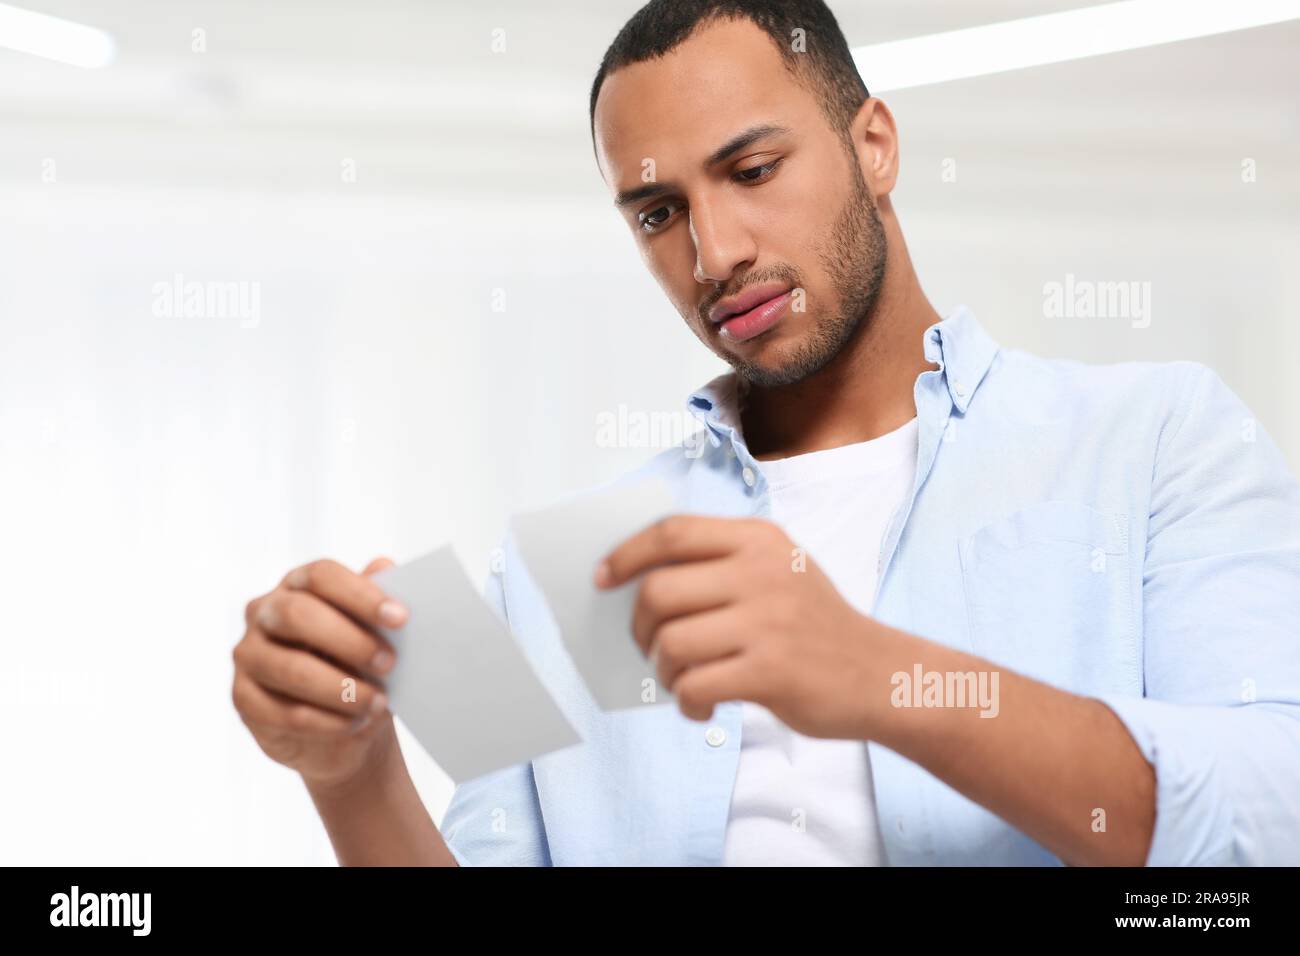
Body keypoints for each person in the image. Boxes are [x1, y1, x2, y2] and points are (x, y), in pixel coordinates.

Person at [231, 0, 1300, 866]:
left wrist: (879, 674)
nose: (712, 251)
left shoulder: (1154, 437)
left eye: (750, 171)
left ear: (872, 144)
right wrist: (351, 772)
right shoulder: (575, 561)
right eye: (655, 212)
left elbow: (1268, 817)